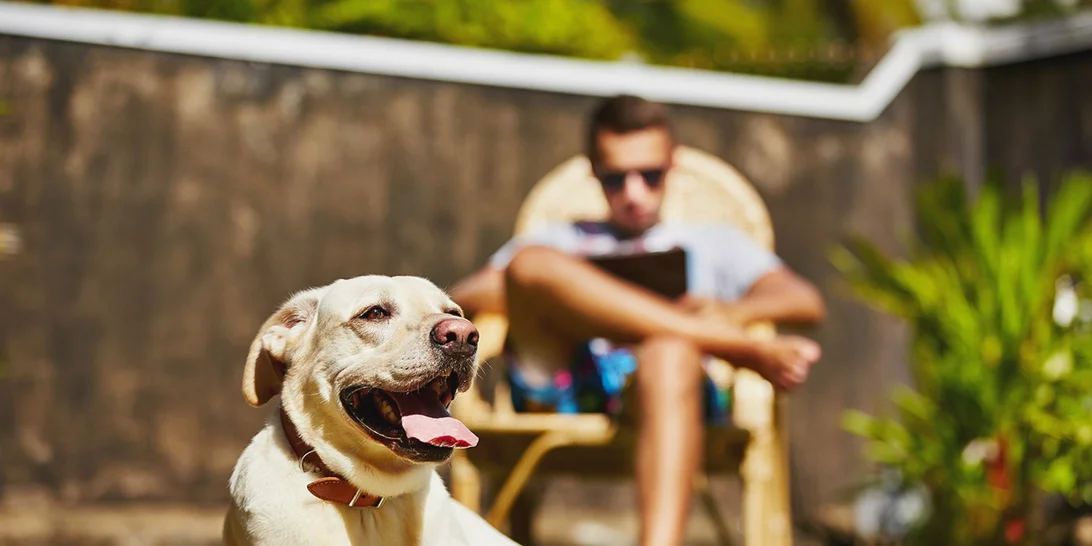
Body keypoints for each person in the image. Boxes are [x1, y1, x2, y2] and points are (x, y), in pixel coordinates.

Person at [449, 94, 826, 546]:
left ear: (673, 164)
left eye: (650, 176)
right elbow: (461, 296)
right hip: (569, 383)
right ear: (594, 171)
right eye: (615, 179)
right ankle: (733, 348)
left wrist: (730, 312)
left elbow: (804, 300)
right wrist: (566, 295)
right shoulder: (560, 239)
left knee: (669, 351)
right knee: (529, 265)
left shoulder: (716, 243)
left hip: (675, 390)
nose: (633, 193)